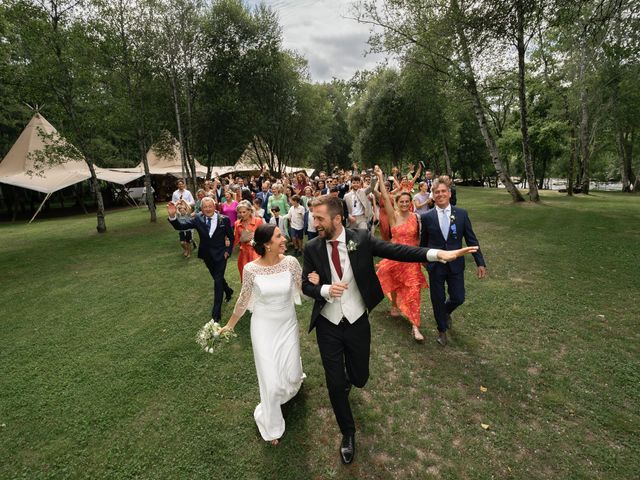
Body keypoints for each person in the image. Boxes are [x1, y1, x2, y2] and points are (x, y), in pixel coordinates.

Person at [301, 194, 478, 465]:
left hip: (357, 320)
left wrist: (437, 254)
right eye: (314, 218)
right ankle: (348, 433)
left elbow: (399, 251)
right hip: (328, 324)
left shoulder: (360, 239)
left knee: (359, 378)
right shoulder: (312, 248)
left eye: (319, 218)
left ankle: (350, 379)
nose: (315, 223)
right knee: (335, 384)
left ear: (337, 219)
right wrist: (323, 288)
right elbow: (306, 285)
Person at [220, 224, 310, 445]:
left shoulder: (291, 262)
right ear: (268, 244)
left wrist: (316, 284)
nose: (284, 238)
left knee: (291, 373)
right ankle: (272, 425)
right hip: (262, 327)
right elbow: (243, 300)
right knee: (269, 379)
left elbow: (303, 289)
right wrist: (230, 325)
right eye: (279, 236)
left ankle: (290, 386)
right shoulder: (251, 269)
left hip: (287, 324)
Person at [420, 177, 486, 346]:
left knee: (458, 297)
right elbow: (423, 243)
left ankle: (445, 312)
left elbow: (472, 239)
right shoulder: (427, 217)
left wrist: (480, 262)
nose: (440, 194)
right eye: (437, 192)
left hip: (456, 265)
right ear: (433, 196)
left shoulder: (461, 214)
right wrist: (425, 261)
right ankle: (441, 330)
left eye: (443, 191)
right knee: (437, 298)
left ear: (449, 194)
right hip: (436, 266)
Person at [373, 167, 428, 342]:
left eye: (407, 202)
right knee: (395, 283)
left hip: (411, 260)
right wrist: (381, 177)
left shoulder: (416, 217)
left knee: (413, 291)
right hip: (396, 257)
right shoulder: (393, 216)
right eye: (401, 202)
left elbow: (418, 239)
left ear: (410, 202)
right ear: (397, 202)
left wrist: (421, 257)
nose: (404, 204)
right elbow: (383, 195)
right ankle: (394, 304)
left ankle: (415, 326)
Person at [167, 197, 234, 322]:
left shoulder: (224, 219)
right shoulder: (197, 219)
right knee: (217, 278)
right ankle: (229, 291)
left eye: (210, 206)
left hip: (221, 255)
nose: (208, 209)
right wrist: (172, 216)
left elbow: (231, 237)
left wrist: (228, 251)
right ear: (201, 208)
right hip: (206, 255)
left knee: (217, 281)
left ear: (215, 207)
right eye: (205, 207)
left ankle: (216, 314)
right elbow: (180, 226)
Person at [234, 200, 263, 281]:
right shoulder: (237, 223)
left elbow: (264, 237)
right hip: (244, 255)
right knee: (246, 278)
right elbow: (235, 240)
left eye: (244, 212)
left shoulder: (258, 221)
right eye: (240, 212)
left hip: (256, 253)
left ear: (250, 211)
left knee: (258, 278)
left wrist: (254, 237)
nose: (242, 214)